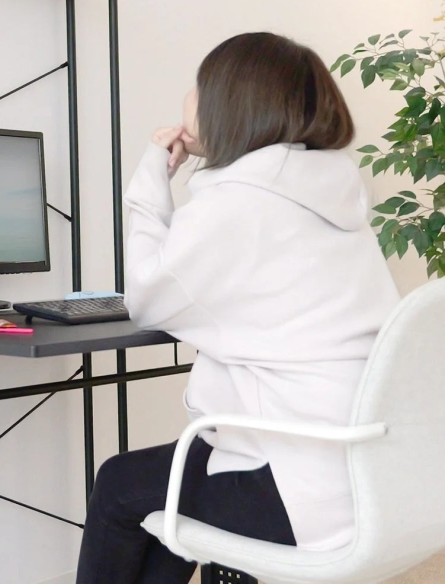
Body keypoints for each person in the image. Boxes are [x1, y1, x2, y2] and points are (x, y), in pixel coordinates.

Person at [76, 32, 400, 584]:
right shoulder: (332, 193)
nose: (187, 99)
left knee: (118, 486)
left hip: (296, 484)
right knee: (163, 505)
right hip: (366, 474)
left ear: (230, 103)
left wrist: (154, 172)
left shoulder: (238, 204)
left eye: (197, 87)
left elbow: (147, 297)